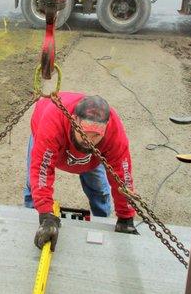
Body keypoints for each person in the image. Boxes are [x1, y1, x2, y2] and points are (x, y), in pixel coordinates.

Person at [24, 92, 138, 251]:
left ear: (106, 127)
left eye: (95, 135)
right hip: (49, 136)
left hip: (91, 159)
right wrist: (46, 215)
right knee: (33, 184)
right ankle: (33, 219)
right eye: (84, 133)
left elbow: (122, 175)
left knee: (99, 190)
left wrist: (126, 217)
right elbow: (42, 170)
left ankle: (101, 221)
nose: (89, 141)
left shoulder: (114, 131)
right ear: (74, 119)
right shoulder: (53, 121)